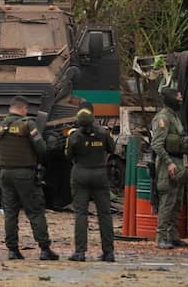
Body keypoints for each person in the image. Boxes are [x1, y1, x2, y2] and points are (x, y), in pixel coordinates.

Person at [0, 95, 59, 261]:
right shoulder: (28, 125)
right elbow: (41, 149)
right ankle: (44, 249)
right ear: (23, 109)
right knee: (35, 211)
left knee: (10, 213)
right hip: (25, 174)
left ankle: (13, 250)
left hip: (5, 174)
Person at [150, 87, 188, 249]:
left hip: (179, 163)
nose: (181, 99)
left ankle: (173, 236)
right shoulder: (163, 118)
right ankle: (160, 237)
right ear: (171, 98)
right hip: (167, 167)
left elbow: (180, 140)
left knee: (177, 202)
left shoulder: (175, 117)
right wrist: (169, 163)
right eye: (178, 97)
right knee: (167, 202)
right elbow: (157, 145)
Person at [65, 101, 116, 262]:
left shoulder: (74, 136)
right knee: (105, 214)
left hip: (80, 173)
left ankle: (80, 252)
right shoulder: (104, 133)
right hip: (100, 174)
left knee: (81, 214)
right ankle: (109, 252)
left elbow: (68, 155)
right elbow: (112, 149)